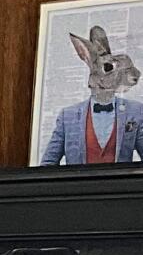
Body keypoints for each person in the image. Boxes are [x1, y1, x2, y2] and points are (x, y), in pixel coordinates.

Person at [41, 24, 143, 164]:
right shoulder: (68, 116)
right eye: (108, 68)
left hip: (119, 186)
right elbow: (48, 163)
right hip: (80, 186)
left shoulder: (135, 111)